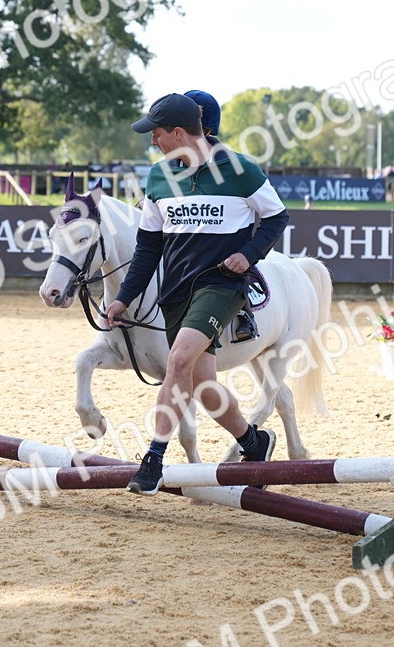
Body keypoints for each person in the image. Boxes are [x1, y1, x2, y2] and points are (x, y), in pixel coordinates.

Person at [104, 92, 290, 494]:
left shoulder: (241, 170)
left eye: (157, 135)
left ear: (177, 133)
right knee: (204, 386)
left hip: (221, 284)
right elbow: (148, 248)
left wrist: (249, 253)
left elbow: (277, 216)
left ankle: (153, 458)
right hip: (175, 289)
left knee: (179, 359)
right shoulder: (158, 177)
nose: (153, 142)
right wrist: (124, 297)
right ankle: (253, 441)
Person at [183, 89, 257, 343]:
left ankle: (244, 313)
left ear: (206, 129)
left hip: (224, 255)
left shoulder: (236, 166)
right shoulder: (170, 165)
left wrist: (247, 254)